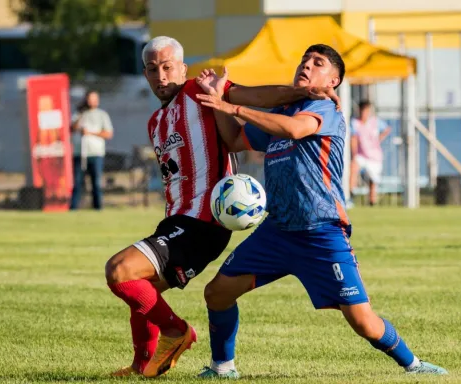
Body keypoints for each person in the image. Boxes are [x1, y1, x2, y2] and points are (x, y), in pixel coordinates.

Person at [194, 44, 448, 379]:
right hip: (277, 232)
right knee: (217, 293)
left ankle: (414, 365)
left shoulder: (325, 107)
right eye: (304, 60)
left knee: (363, 322)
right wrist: (217, 103)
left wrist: (232, 104)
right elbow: (233, 139)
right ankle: (222, 368)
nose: (307, 65)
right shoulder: (282, 110)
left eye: (318, 63)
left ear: (334, 81)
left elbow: (294, 130)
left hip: (322, 232)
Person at [104, 36, 341, 378]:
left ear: (182, 69)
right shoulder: (155, 123)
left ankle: (179, 332)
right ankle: (142, 367)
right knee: (143, 290)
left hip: (203, 224)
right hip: (175, 222)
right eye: (153, 70)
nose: (162, 76)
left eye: (168, 67)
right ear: (145, 74)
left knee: (119, 270)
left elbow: (254, 95)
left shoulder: (197, 92)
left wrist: (303, 93)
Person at [70, 90, 114, 210]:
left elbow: (108, 133)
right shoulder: (79, 113)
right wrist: (80, 114)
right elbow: (72, 128)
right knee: (77, 182)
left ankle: (97, 208)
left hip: (95, 153)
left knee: (96, 183)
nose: (92, 101)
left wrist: (90, 132)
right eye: (89, 99)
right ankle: (73, 208)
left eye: (94, 99)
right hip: (80, 153)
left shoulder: (102, 115)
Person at [349, 100, 391, 207]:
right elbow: (353, 139)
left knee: (373, 182)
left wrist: (379, 139)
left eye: (367, 111)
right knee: (353, 168)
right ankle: (350, 196)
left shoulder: (375, 122)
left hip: (374, 157)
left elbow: (387, 129)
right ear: (360, 111)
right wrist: (354, 155)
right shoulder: (355, 122)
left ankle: (372, 202)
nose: (365, 113)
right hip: (361, 155)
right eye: (363, 111)